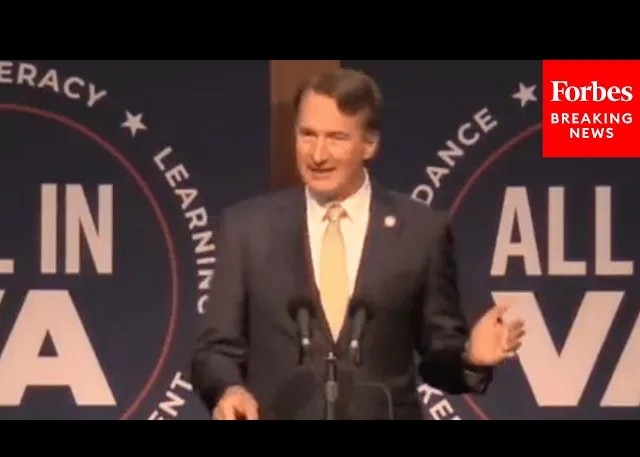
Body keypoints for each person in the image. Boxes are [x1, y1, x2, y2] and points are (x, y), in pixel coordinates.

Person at [190, 67, 525, 420]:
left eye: (336, 138)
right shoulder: (246, 229)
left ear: (369, 144)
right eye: (307, 134)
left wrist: (470, 357)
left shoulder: (420, 232)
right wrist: (229, 389)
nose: (318, 154)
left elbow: (438, 353)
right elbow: (214, 350)